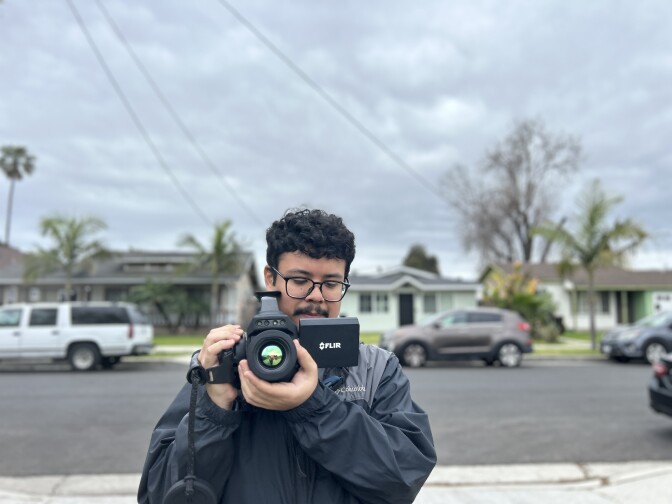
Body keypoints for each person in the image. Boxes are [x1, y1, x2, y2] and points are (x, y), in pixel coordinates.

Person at [138, 208, 436, 504]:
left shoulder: (375, 369)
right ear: (271, 278)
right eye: (300, 280)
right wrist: (215, 411)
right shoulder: (224, 363)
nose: (316, 296)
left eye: (331, 284)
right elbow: (161, 496)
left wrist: (312, 408)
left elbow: (402, 480)